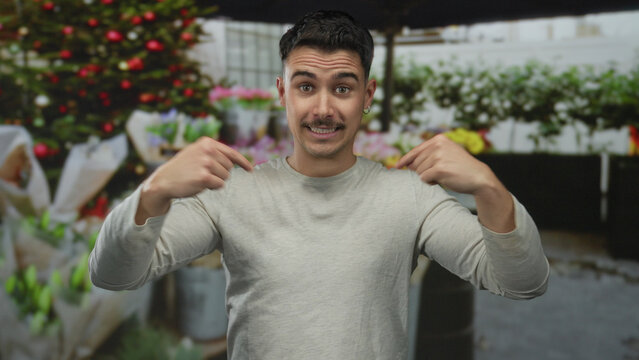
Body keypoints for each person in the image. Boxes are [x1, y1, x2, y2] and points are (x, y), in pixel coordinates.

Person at [90, 10, 549, 359]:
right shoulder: (233, 191)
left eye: (343, 88)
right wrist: (153, 192)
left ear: (367, 96)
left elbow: (523, 283)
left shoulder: (408, 194)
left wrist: (490, 189)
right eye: (306, 86)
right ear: (282, 92)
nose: (324, 108)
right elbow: (112, 274)